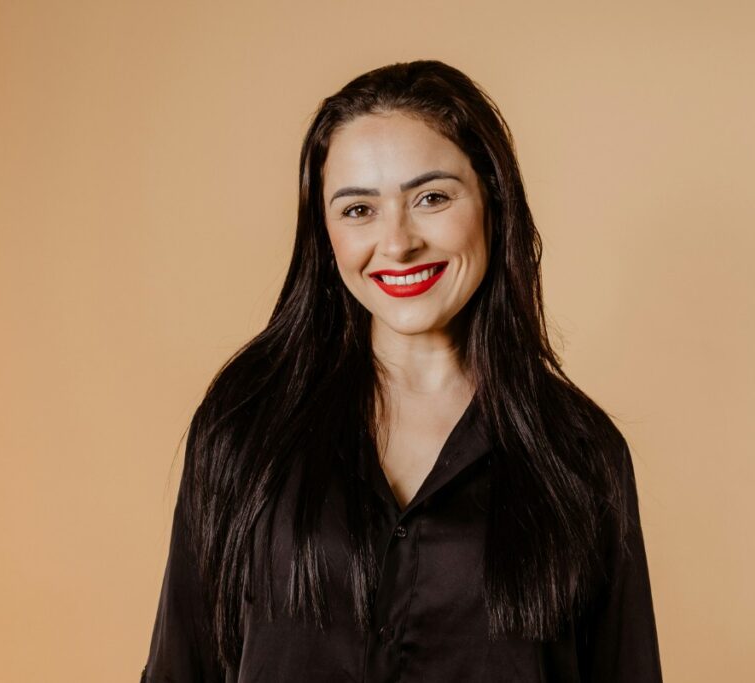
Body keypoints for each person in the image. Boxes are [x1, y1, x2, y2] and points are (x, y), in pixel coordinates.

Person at [141, 59, 663, 682]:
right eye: (358, 209)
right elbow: (182, 669)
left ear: (493, 201)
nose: (397, 243)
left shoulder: (580, 454)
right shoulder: (244, 425)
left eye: (431, 198)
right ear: (324, 232)